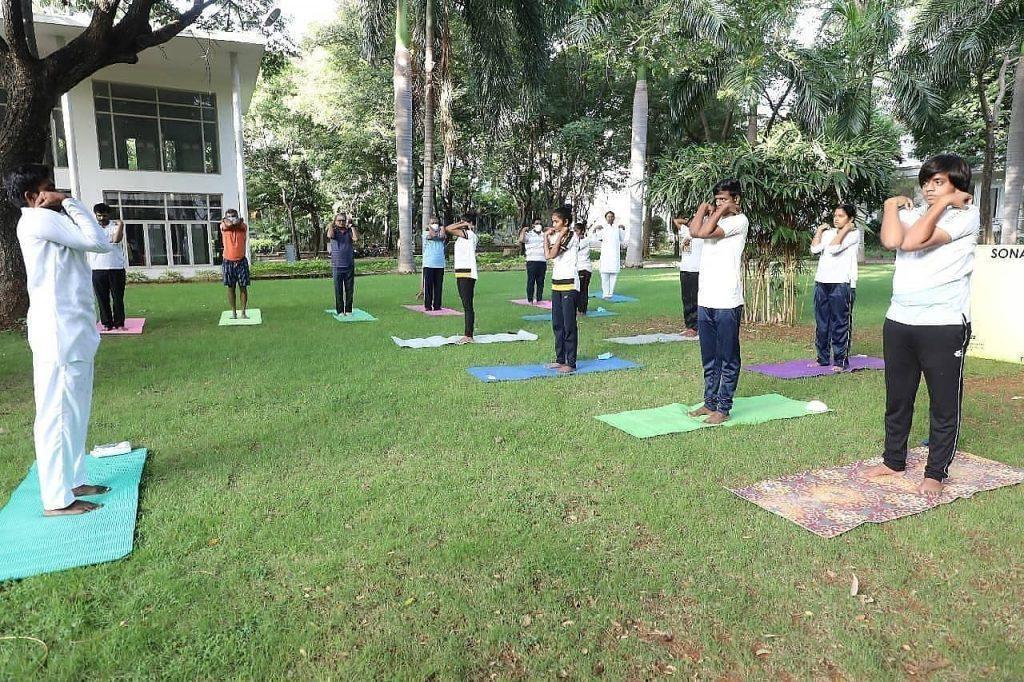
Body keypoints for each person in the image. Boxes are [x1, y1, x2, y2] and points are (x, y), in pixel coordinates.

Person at [864, 154, 979, 498]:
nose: (929, 188)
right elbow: (891, 241)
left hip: (943, 323)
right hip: (899, 320)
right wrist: (890, 206)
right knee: (898, 397)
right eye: (926, 182)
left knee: (943, 403)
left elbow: (913, 241)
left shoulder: (965, 215)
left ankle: (935, 472)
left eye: (939, 182)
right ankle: (893, 460)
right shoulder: (915, 213)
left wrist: (943, 204)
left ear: (958, 185)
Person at [5, 163, 117, 516]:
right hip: (59, 332)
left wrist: (66, 206)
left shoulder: (50, 220)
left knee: (76, 411)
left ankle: (74, 479)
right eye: (49, 187)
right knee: (57, 414)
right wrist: (69, 201)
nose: (56, 192)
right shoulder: (38, 219)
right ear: (31, 196)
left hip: (73, 327)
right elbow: (99, 242)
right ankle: (56, 498)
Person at [686, 179, 750, 425]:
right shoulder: (716, 219)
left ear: (736, 200)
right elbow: (694, 231)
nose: (720, 203)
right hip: (706, 299)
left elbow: (702, 233)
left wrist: (720, 211)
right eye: (717, 200)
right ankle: (709, 402)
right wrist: (703, 208)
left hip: (727, 301)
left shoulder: (739, 221)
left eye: (725, 199)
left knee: (728, 357)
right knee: (709, 356)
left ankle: (723, 407)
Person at [809, 204, 860, 370]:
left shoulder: (854, 234)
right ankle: (822, 358)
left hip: (842, 283)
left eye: (841, 216)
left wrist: (845, 230)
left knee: (840, 323)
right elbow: (814, 249)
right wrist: (819, 231)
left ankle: (840, 361)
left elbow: (833, 248)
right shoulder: (828, 233)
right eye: (835, 215)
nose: (836, 219)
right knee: (822, 323)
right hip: (822, 281)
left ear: (850, 219)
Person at [545, 206, 580, 373]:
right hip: (556, 284)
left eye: (556, 221)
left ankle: (571, 362)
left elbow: (553, 254)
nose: (554, 224)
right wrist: (545, 237)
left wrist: (558, 236)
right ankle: (560, 359)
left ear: (565, 222)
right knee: (557, 323)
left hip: (569, 284)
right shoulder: (556, 236)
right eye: (553, 221)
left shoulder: (572, 236)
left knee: (569, 324)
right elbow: (547, 255)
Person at [88, 202, 127, 331]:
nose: (101, 218)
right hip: (97, 268)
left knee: (118, 298)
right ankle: (107, 323)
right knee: (102, 298)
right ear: (95, 215)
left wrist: (121, 225)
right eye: (99, 216)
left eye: (104, 216)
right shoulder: (92, 228)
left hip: (116, 267)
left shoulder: (114, 226)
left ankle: (119, 323)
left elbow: (116, 240)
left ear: (108, 215)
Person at [447, 214, 478, 343]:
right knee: (465, 304)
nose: (460, 224)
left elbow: (448, 228)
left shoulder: (469, 235)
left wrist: (464, 224)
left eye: (464, 222)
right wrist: (463, 223)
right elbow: (449, 228)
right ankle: (468, 333)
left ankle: (469, 335)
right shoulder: (463, 236)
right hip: (460, 272)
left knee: (467, 305)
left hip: (467, 273)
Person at [674, 212, 702, 337]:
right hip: (685, 269)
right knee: (686, 299)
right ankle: (689, 326)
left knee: (695, 299)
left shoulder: (702, 234)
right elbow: (676, 221)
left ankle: (695, 327)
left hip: (696, 270)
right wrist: (688, 222)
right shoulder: (685, 231)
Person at [220, 209, 250, 319]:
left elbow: (237, 224)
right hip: (228, 261)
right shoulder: (223, 225)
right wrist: (227, 220)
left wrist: (237, 221)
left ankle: (243, 312)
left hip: (241, 261)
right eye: (229, 216)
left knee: (243, 287)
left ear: (237, 216)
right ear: (225, 217)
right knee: (230, 287)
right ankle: (233, 313)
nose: (231, 218)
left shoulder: (243, 226)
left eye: (233, 216)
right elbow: (228, 225)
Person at [327, 213, 359, 316]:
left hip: (349, 264)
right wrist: (331, 225)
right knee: (338, 289)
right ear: (335, 221)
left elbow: (355, 239)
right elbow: (330, 235)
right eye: (339, 220)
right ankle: (340, 310)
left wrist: (352, 226)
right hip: (337, 265)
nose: (341, 222)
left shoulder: (349, 231)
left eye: (343, 220)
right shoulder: (334, 231)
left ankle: (348, 310)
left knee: (349, 289)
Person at [592, 210, 626, 299]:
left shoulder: (617, 228)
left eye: (611, 216)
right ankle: (605, 293)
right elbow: (596, 239)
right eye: (608, 216)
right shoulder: (603, 228)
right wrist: (595, 229)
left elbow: (622, 238)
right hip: (606, 255)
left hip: (615, 255)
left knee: (614, 275)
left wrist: (623, 228)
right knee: (604, 275)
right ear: (606, 218)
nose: (610, 218)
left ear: (614, 218)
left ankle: (610, 293)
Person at [519, 219, 547, 303]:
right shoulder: (529, 234)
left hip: (542, 260)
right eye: (537, 223)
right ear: (533, 225)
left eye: (540, 223)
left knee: (540, 281)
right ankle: (530, 299)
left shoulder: (544, 235)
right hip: (531, 261)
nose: (539, 225)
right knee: (531, 280)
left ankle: (539, 299)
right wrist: (523, 230)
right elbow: (521, 240)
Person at [422, 215, 446, 311]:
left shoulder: (442, 233)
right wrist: (430, 227)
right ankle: (428, 305)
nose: (434, 224)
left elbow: (441, 237)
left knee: (438, 285)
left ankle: (437, 305)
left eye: (436, 223)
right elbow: (433, 236)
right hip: (429, 263)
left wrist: (442, 228)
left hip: (440, 263)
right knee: (428, 286)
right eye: (432, 223)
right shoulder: (425, 233)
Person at [574, 222, 593, 315]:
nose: (575, 233)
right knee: (579, 289)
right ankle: (580, 308)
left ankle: (582, 310)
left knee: (583, 290)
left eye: (576, 231)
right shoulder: (576, 240)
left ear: (582, 231)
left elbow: (576, 248)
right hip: (578, 268)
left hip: (584, 268)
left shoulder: (585, 240)